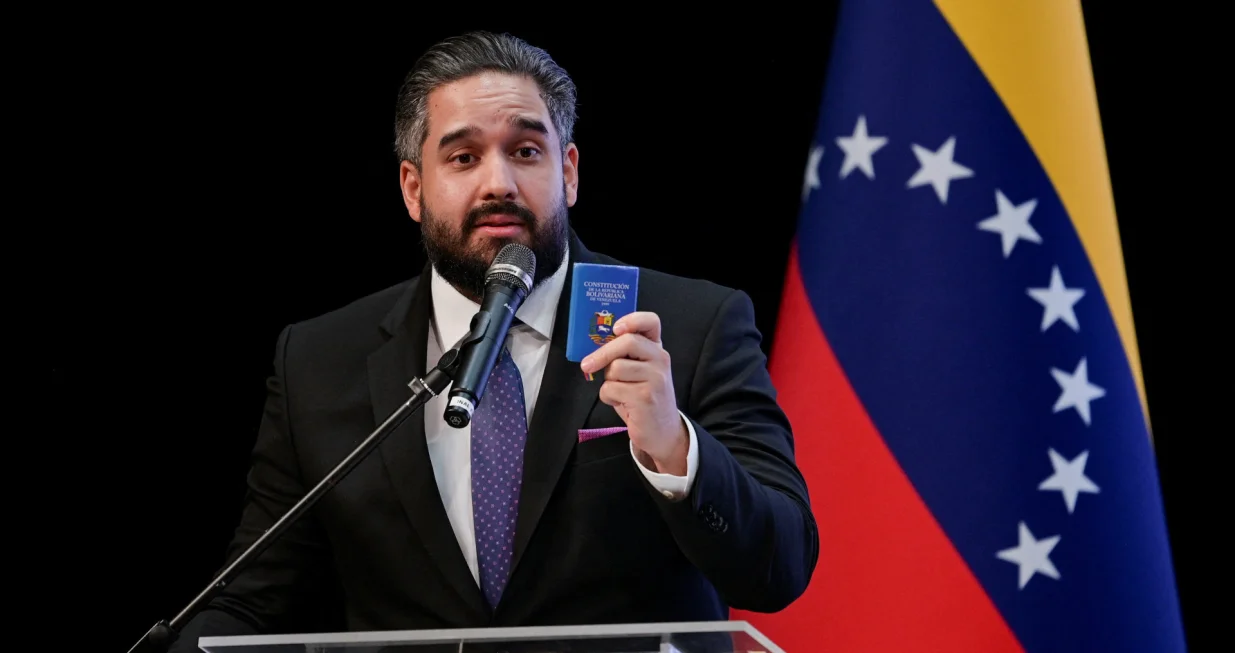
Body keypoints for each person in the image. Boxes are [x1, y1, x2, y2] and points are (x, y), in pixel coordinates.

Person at [167, 30, 818, 651]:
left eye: (526, 151)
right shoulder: (317, 360)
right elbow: (254, 599)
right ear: (413, 189)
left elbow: (779, 567)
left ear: (568, 172)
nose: (498, 182)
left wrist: (672, 444)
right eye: (463, 156)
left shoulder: (688, 324)